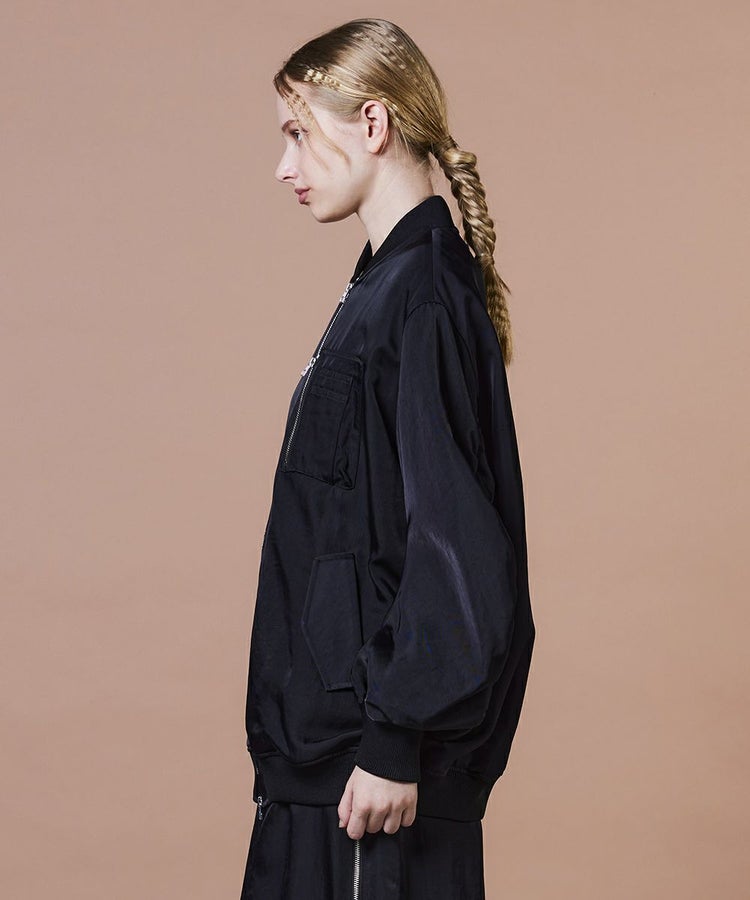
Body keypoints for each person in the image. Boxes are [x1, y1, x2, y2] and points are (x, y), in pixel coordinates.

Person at [240, 17, 536, 900]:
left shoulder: (423, 295)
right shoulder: (381, 289)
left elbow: (459, 546)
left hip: (371, 790)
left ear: (372, 123)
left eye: (298, 134)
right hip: (324, 775)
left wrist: (395, 739)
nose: (284, 167)